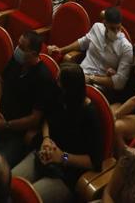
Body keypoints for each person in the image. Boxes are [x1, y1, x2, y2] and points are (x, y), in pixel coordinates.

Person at [12, 62, 102, 203]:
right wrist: (46, 139)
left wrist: (62, 157)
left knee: (26, 198)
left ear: (69, 89)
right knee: (11, 184)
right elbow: (47, 119)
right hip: (44, 153)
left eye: (59, 80)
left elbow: (94, 162)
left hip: (66, 173)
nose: (56, 82)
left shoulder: (89, 114)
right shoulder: (59, 95)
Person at [0, 30, 54, 166]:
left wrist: (6, 125)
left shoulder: (43, 78)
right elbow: (0, 81)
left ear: (33, 54)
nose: (17, 49)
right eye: (18, 45)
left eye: (22, 47)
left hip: (16, 133)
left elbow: (35, 119)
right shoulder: (16, 60)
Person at [48, 7, 134, 99]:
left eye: (119, 28)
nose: (116, 32)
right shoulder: (97, 27)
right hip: (80, 74)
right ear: (105, 23)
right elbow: (82, 42)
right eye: (112, 29)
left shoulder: (126, 48)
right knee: (53, 86)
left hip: (100, 86)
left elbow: (119, 83)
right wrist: (61, 50)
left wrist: (90, 78)